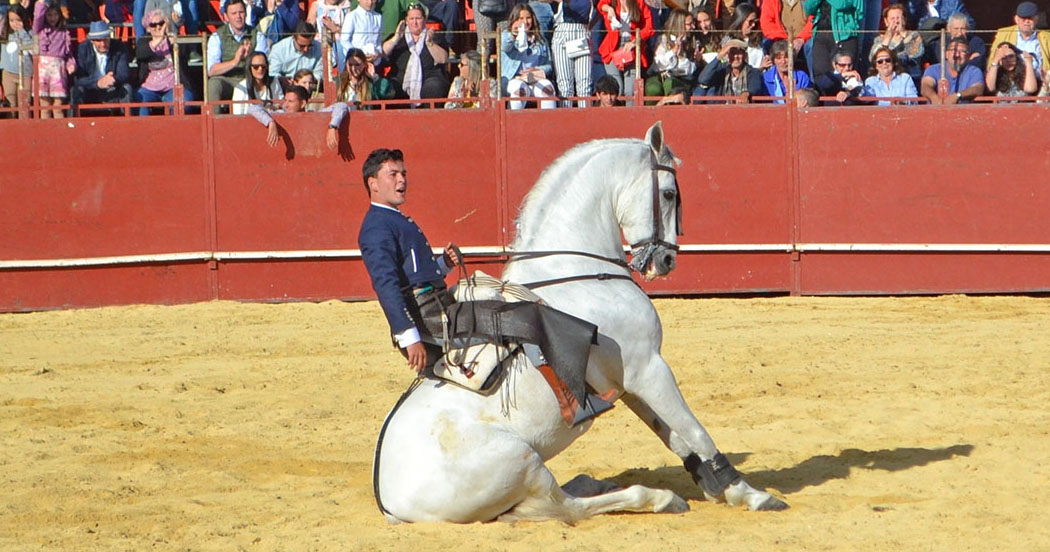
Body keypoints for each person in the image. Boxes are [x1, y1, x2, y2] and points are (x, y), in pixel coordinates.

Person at [358, 148, 462, 374]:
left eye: (403, 173)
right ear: (373, 183)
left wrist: (443, 264)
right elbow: (386, 284)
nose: (402, 179)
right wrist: (408, 335)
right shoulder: (377, 227)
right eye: (393, 174)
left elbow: (414, 271)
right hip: (424, 312)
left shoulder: (392, 218)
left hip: (434, 303)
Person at [382, 2, 450, 104]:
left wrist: (430, 43)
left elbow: (443, 59)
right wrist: (396, 38)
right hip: (400, 78)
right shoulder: (399, 36)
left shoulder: (434, 37)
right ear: (406, 20)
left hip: (429, 77)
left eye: (418, 18)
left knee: (434, 88)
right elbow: (383, 53)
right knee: (387, 88)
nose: (415, 22)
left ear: (425, 20)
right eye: (411, 19)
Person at [247, 84, 350, 149]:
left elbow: (342, 106)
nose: (286, 104)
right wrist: (270, 122)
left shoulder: (313, 114)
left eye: (290, 101)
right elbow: (252, 108)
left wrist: (333, 126)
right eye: (285, 100)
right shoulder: (279, 114)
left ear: (303, 104)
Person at [134, 10, 194, 115]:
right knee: (139, 103)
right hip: (149, 88)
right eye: (153, 25)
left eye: (161, 23)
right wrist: (159, 39)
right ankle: (144, 130)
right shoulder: (143, 42)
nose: (158, 27)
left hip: (173, 87)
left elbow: (185, 53)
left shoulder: (173, 40)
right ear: (148, 28)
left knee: (184, 103)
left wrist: (172, 37)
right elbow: (140, 53)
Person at [206, 0, 258, 114]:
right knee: (213, 84)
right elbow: (211, 70)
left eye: (241, 12)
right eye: (234, 13)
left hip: (249, 78)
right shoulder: (217, 36)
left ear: (246, 13)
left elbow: (263, 64)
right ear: (226, 17)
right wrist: (235, 61)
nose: (238, 17)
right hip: (227, 80)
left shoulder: (256, 34)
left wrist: (250, 58)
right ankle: (214, 123)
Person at [501, 2, 556, 110]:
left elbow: (548, 65)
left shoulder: (540, 40)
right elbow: (505, 47)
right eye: (521, 18)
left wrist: (537, 69)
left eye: (528, 18)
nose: (525, 22)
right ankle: (513, 122)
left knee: (547, 89)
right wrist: (514, 34)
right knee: (520, 90)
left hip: (533, 78)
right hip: (514, 78)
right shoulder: (507, 35)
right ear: (515, 19)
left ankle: (549, 123)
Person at [597, 0, 654, 102]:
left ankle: (630, 116)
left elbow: (649, 27)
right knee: (616, 88)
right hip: (612, 47)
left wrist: (634, 42)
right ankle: (615, 116)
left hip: (632, 47)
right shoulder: (612, 2)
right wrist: (609, 9)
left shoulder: (639, 3)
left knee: (630, 91)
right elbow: (600, 5)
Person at [72, 21, 133, 112]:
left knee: (127, 89)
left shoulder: (119, 47)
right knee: (75, 91)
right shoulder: (82, 49)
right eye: (98, 40)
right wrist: (97, 83)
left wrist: (112, 80)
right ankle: (74, 124)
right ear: (92, 41)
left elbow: (124, 73)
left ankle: (128, 123)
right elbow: (79, 79)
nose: (103, 44)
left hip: (112, 88)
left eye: (105, 39)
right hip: (90, 90)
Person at [645, 9, 699, 101]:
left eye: (693, 23)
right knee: (652, 89)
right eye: (689, 24)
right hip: (659, 75)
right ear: (679, 24)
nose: (693, 27)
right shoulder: (663, 39)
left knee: (670, 84)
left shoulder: (692, 41)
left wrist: (681, 56)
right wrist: (673, 52)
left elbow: (689, 70)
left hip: (680, 79)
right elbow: (658, 65)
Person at [804, 0, 864, 81]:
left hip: (844, 36)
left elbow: (842, 4)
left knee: (848, 78)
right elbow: (808, 8)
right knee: (821, 77)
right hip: (820, 34)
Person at [34, 0, 75, 119]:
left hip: (58, 69)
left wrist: (71, 64)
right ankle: (43, 133)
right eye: (49, 15)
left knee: (58, 105)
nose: (52, 18)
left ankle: (60, 133)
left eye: (55, 15)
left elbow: (68, 53)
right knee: (44, 106)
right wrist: (41, 3)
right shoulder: (40, 29)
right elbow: (37, 17)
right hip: (43, 69)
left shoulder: (64, 32)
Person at [989, 1, 1050, 78]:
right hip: (1010, 81)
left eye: (1030, 18)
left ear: (1036, 19)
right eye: (1023, 18)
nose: (1027, 21)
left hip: (1040, 81)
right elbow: (992, 61)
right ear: (1016, 19)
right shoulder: (1003, 33)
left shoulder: (1047, 37)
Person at [550, 0, 593, 107]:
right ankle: (565, 119)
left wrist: (590, 26)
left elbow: (600, 8)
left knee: (585, 84)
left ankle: (586, 118)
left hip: (581, 33)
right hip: (563, 31)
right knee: (565, 85)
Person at [695, 38, 765, 101]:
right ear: (727, 55)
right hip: (723, 110)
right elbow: (703, 80)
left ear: (745, 56)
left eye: (739, 53)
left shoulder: (752, 71)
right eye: (732, 53)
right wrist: (719, 56)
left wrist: (746, 94)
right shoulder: (721, 70)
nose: (735, 56)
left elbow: (755, 87)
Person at [919, 35, 982, 104]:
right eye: (953, 50)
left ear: (967, 56)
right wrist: (934, 97)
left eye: (962, 52)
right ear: (946, 54)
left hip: (962, 112)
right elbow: (925, 86)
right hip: (935, 112)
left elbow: (977, 89)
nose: (957, 55)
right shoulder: (933, 69)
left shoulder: (973, 71)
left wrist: (957, 96)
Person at [870, 3, 922, 84]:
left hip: (911, 77)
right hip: (885, 79)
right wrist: (887, 39)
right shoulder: (879, 40)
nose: (896, 21)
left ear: (904, 20)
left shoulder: (914, 36)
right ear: (886, 22)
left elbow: (914, 56)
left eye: (898, 18)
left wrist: (904, 36)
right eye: (892, 19)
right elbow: (873, 58)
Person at [0, 5, 33, 118]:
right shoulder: (5, 33)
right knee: (11, 103)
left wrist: (22, 31)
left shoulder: (30, 33)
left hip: (25, 73)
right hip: (8, 72)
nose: (15, 23)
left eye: (18, 20)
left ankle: (26, 129)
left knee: (25, 103)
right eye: (12, 20)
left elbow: (32, 48)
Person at [267, 21, 323, 86]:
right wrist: (281, 79)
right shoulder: (279, 49)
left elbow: (319, 74)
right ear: (294, 38)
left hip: (309, 87)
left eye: (310, 45)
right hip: (284, 88)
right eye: (302, 46)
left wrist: (308, 81)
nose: (306, 49)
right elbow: (272, 73)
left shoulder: (319, 48)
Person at [337, 0, 382, 69]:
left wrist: (377, 53)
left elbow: (378, 40)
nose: (370, 2)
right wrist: (358, 55)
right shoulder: (352, 16)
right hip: (356, 63)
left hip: (372, 63)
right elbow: (344, 40)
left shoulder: (378, 17)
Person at [763, 38, 810, 103]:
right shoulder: (766, 78)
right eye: (779, 58)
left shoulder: (802, 77)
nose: (783, 61)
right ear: (773, 60)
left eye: (787, 57)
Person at [722, 2, 765, 70]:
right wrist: (760, 68)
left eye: (755, 21)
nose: (753, 25)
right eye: (750, 22)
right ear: (740, 21)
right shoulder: (728, 40)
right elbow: (728, 66)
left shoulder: (759, 38)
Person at [904, 0, 971, 31]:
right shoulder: (913, 6)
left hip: (950, 43)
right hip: (925, 47)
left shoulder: (953, 2)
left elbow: (969, 23)